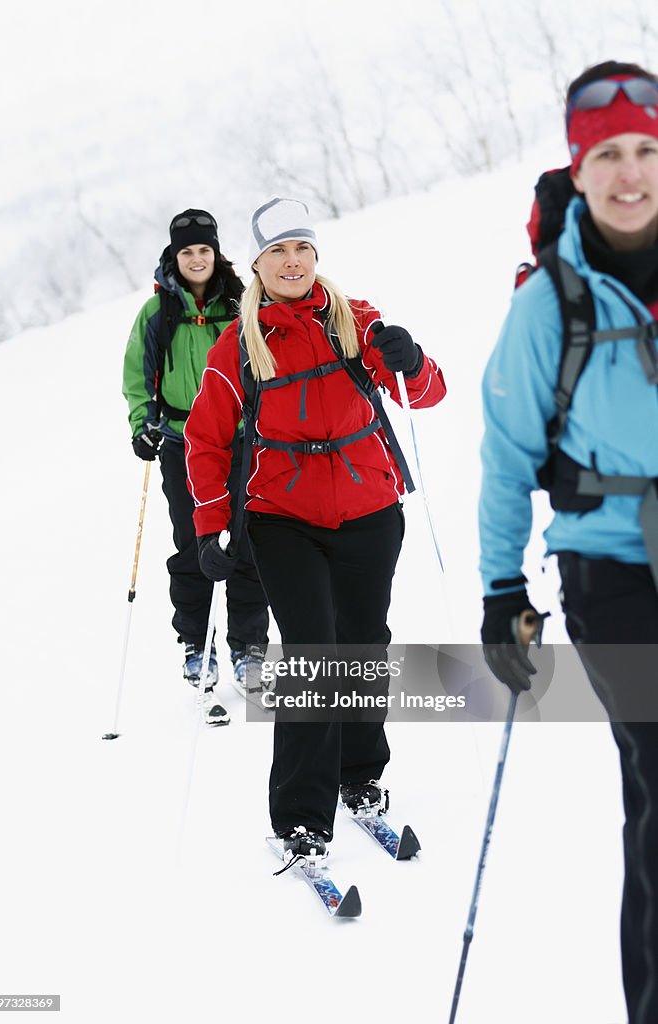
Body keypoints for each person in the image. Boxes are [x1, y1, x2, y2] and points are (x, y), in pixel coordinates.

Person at [184, 196, 446, 858]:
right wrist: (211, 526)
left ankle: (359, 777)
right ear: (258, 263)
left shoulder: (354, 321)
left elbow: (427, 393)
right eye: (277, 252)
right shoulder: (237, 345)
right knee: (311, 652)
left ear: (315, 256)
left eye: (301, 248)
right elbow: (206, 441)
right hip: (283, 519)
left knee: (361, 644)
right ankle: (300, 815)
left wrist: (410, 359)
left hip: (369, 511)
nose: (291, 261)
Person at [479, 61, 658, 1024]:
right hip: (608, 565)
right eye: (608, 156)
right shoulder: (547, 305)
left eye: (645, 150)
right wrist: (500, 590)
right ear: (577, 169)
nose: (629, 173)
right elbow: (506, 456)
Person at [122, 209, 269, 724]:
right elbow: (138, 375)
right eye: (187, 252)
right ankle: (195, 642)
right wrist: (143, 421)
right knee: (195, 541)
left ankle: (249, 646)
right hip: (182, 439)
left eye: (204, 250)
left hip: (242, 441)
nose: (197, 259)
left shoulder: (241, 303)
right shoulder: (156, 312)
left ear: (215, 252)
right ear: (175, 257)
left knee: (248, 539)